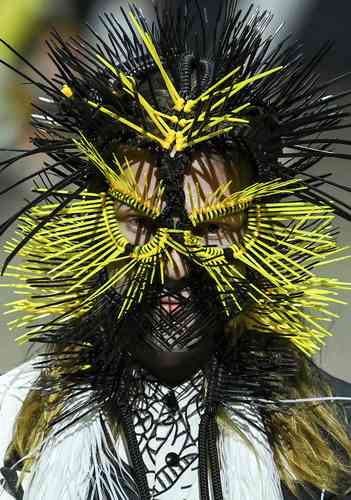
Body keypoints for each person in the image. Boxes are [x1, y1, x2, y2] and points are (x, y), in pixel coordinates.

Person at [1, 1, 351, 499]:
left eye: (211, 230)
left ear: (263, 235)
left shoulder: (334, 430)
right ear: (85, 227)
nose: (174, 267)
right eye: (140, 224)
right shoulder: (11, 420)